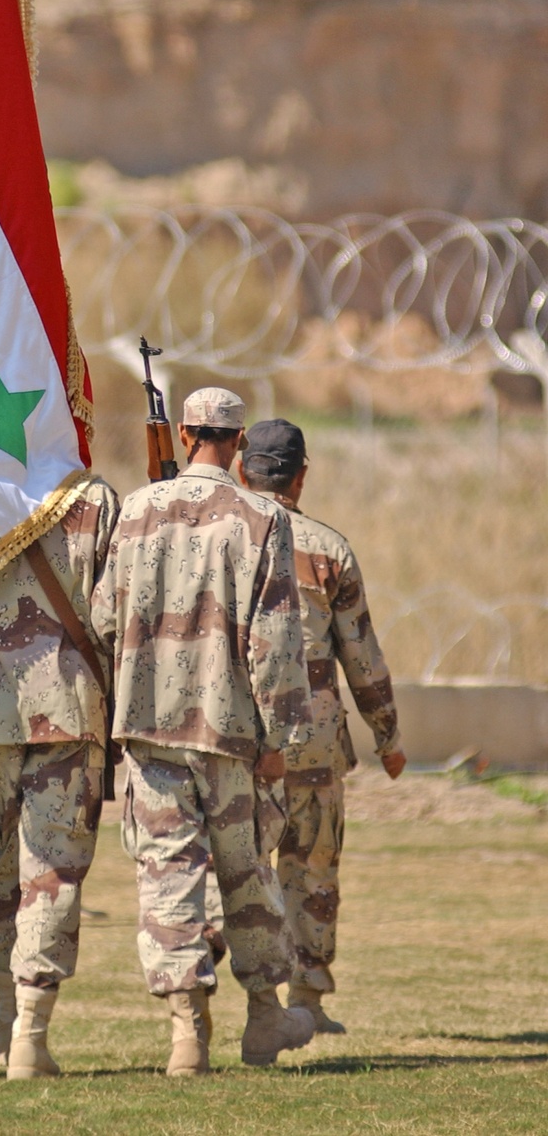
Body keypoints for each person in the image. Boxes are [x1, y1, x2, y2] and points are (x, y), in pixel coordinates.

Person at [92, 387, 315, 1076]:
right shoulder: (261, 518)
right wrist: (281, 739)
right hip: (229, 731)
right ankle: (262, 1020)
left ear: (185, 433)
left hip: (151, 729)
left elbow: (103, 618)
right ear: (240, 441)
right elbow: (275, 643)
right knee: (245, 877)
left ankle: (187, 1034)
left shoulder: (133, 512)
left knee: (169, 878)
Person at [239, 418, 405, 1034]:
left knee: (241, 867)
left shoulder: (222, 539)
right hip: (312, 740)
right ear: (301, 475)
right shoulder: (328, 549)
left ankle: (248, 1002)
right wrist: (388, 737)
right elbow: (362, 656)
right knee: (311, 870)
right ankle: (307, 995)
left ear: (240, 470)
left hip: (241, 741)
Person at [0, 476, 119, 1080]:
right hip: (69, 707)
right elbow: (112, 613)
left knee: (7, 860)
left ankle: (6, 1021)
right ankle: (29, 1033)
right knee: (51, 869)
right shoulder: (93, 501)